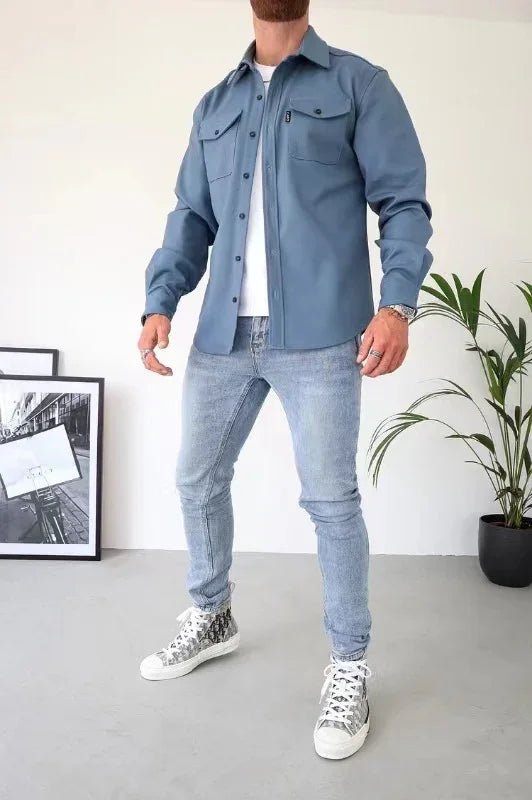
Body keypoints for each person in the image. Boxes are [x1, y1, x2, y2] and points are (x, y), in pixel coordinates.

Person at [138, 0, 432, 760]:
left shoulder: (361, 85)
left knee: (330, 502)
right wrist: (160, 299)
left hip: (325, 336)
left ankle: (348, 665)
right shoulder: (217, 103)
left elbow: (402, 201)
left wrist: (397, 303)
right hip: (222, 335)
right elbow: (189, 216)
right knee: (196, 478)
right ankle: (212, 614)